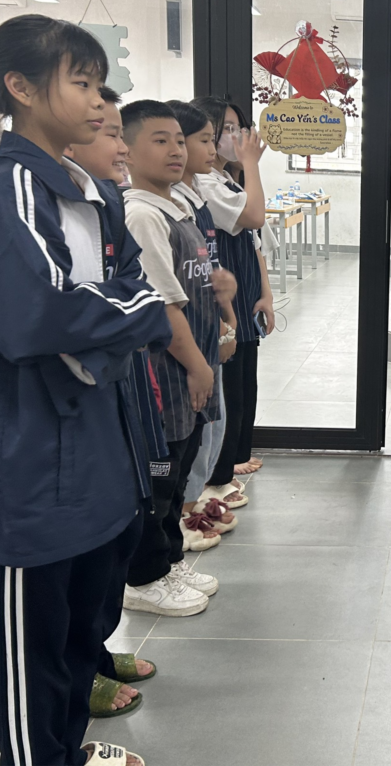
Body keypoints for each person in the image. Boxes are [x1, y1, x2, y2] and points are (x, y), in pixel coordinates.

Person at [0, 14, 169, 766]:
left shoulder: (85, 189)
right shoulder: (10, 188)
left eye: (101, 84)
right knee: (32, 655)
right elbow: (40, 315)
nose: (101, 102)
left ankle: (67, 753)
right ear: (22, 88)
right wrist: (127, 317)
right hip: (27, 463)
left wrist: (112, 321)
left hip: (89, 451)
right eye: (83, 83)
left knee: (74, 639)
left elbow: (127, 284)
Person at [64, 85, 167, 718]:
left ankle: (98, 651)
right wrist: (129, 316)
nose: (121, 147)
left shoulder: (106, 207)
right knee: (83, 557)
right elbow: (79, 317)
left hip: (121, 395)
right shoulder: (43, 207)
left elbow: (139, 294)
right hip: (87, 398)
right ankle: (80, 671)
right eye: (109, 134)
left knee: (120, 530)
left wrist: (129, 314)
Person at [121, 99, 232, 616]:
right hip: (166, 374)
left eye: (179, 141)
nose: (176, 150)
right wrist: (197, 366)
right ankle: (144, 577)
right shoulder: (142, 215)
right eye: (159, 140)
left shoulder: (177, 209)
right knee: (159, 475)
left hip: (191, 367)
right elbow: (163, 307)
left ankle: (167, 560)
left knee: (181, 466)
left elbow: (190, 285)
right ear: (128, 149)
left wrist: (221, 295)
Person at [192, 96, 273, 492]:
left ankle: (236, 457)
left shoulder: (227, 179)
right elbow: (254, 216)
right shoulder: (206, 183)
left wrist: (266, 293)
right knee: (229, 389)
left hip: (244, 294)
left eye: (238, 128)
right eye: (224, 130)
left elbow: (255, 241)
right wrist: (251, 164)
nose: (235, 137)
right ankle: (220, 473)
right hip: (225, 300)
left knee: (244, 384)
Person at [168, 99, 240, 542]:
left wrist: (226, 319)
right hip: (186, 340)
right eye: (205, 139)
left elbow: (209, 274)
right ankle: (181, 510)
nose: (212, 148)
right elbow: (169, 295)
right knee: (188, 430)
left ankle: (192, 500)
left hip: (207, 328)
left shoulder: (195, 199)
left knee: (212, 424)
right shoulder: (158, 209)